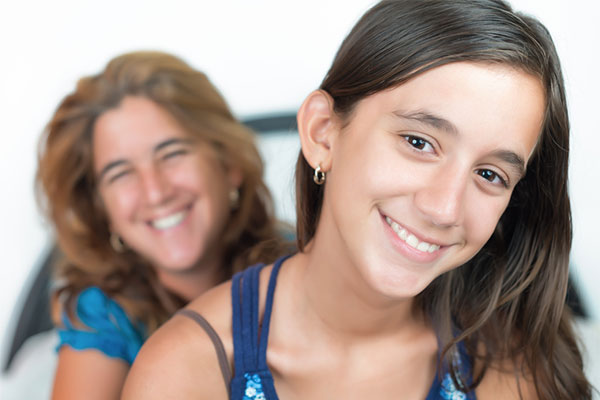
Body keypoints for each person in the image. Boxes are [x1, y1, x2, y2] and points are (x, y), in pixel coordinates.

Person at [122, 1, 593, 399]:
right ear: (323, 133)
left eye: (489, 174)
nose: (444, 208)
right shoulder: (187, 370)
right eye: (418, 142)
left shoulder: (511, 363)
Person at [36, 51, 289, 399]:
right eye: (121, 173)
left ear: (228, 162)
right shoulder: (102, 314)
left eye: (172, 154)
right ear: (101, 209)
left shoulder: (302, 263)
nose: (155, 192)